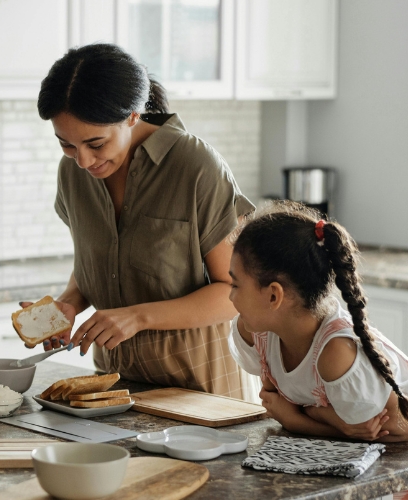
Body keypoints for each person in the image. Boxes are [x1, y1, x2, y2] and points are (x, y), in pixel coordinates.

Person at [28, 43, 254, 397]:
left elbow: (235, 293)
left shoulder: (194, 166)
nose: (84, 161)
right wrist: (69, 304)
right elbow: (98, 262)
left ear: (133, 115)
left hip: (201, 389)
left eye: (96, 144)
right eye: (67, 145)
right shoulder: (72, 174)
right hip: (114, 388)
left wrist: (137, 317)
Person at [228, 201, 408, 445]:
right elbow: (275, 402)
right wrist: (330, 419)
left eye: (235, 285)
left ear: (274, 296)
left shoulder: (336, 353)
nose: (230, 296)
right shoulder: (257, 332)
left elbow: (396, 427)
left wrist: (300, 420)